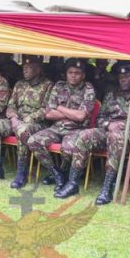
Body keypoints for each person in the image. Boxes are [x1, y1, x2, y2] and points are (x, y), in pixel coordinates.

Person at [64, 63, 130, 202]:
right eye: (121, 76)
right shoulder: (111, 96)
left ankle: (107, 188)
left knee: (116, 137)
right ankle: (72, 183)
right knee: (85, 135)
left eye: (127, 76)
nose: (123, 79)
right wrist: (109, 124)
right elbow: (99, 119)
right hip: (109, 130)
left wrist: (125, 125)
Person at [0, 55, 53, 187]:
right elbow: (11, 105)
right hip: (17, 120)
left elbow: (47, 109)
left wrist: (28, 119)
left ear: (38, 69)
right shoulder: (19, 84)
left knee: (22, 130)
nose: (24, 69)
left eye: (29, 67)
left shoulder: (48, 85)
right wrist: (13, 118)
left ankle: (21, 173)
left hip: (37, 123)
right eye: (24, 66)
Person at [26, 58, 97, 191]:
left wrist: (59, 107)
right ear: (66, 74)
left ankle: (67, 174)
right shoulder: (59, 86)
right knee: (33, 141)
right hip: (56, 128)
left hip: (76, 130)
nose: (73, 75)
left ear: (83, 75)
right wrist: (72, 114)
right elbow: (48, 113)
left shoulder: (88, 89)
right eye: (70, 72)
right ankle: (56, 174)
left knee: (68, 149)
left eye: (77, 73)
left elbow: (81, 117)